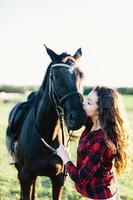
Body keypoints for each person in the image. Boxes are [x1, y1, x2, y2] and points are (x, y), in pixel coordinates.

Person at [57, 86, 129, 200]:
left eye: (89, 102)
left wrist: (65, 158)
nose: (83, 103)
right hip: (99, 191)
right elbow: (75, 118)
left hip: (100, 196)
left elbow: (80, 178)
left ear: (101, 110)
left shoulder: (101, 142)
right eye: (86, 99)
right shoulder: (92, 123)